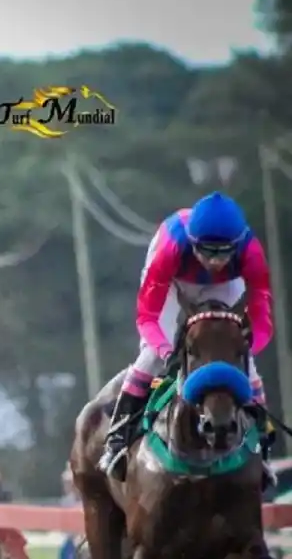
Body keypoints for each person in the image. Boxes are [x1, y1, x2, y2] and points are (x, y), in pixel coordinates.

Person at [98, 192, 275, 485]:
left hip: (224, 286)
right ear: (193, 243)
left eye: (223, 253)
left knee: (246, 363)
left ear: (237, 245)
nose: (214, 261)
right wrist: (165, 350)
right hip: (172, 279)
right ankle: (118, 438)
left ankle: (262, 450)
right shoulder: (171, 247)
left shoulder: (250, 252)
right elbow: (147, 317)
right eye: (207, 252)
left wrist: (245, 348)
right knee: (151, 357)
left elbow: (262, 317)